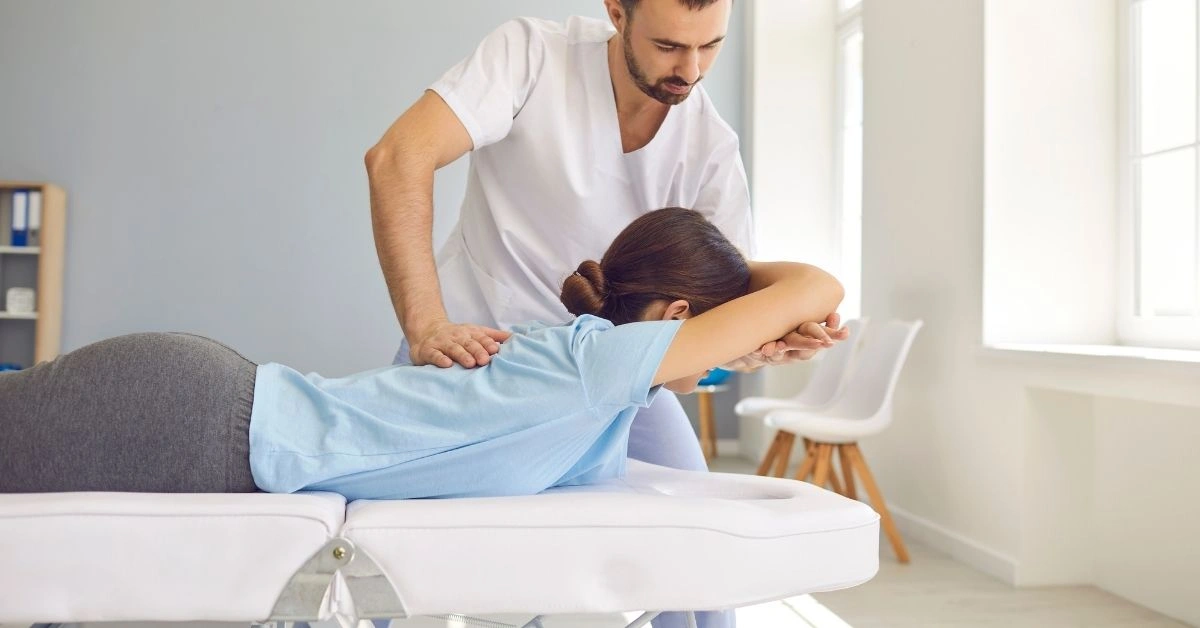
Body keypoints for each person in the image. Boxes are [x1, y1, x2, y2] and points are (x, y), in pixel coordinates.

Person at [0, 208, 843, 503]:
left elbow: (751, 330)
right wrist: (754, 306)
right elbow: (816, 284)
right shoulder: (604, 363)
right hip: (190, 422)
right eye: (711, 329)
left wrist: (750, 333)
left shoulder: (600, 379)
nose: (722, 355)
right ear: (678, 315)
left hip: (207, 413)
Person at [364, 0, 845, 493]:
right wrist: (426, 326)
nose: (691, 70)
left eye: (711, 45)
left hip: (615, 372)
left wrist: (768, 342)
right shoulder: (530, 55)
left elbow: (719, 302)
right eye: (668, 46)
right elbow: (398, 158)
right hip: (478, 353)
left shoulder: (711, 146)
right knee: (425, 522)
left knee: (691, 513)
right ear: (617, 13)